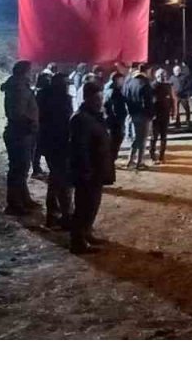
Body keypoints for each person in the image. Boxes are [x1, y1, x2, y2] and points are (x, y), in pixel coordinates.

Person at [69, 82, 116, 254]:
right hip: (88, 171)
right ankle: (78, 241)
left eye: (101, 98)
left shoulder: (95, 116)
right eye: (97, 98)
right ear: (88, 98)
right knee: (83, 206)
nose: (100, 102)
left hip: (97, 169)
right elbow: (79, 147)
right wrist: (86, 169)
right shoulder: (80, 118)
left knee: (93, 205)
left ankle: (86, 233)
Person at [1, 60, 41, 215]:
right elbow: (18, 113)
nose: (31, 74)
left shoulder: (19, 87)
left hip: (20, 132)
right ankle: (14, 204)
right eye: (30, 71)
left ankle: (23, 198)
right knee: (18, 168)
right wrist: (30, 124)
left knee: (22, 168)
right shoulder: (18, 89)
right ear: (24, 72)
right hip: (19, 133)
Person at [38, 73, 74, 229]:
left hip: (48, 143)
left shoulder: (42, 96)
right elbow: (66, 121)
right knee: (63, 181)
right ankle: (65, 216)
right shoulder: (62, 99)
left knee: (54, 179)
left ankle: (52, 215)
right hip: (60, 143)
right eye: (66, 83)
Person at [122, 63, 155, 169]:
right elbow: (148, 102)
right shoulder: (145, 83)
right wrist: (151, 115)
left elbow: (125, 97)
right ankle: (139, 162)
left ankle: (130, 160)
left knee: (136, 138)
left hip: (133, 113)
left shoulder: (130, 82)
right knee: (142, 139)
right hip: (143, 115)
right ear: (147, 71)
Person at [30, 71, 52, 180]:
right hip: (42, 123)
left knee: (38, 147)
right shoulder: (43, 93)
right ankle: (36, 168)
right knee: (39, 147)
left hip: (40, 122)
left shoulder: (37, 92)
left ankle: (37, 168)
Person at [102, 71, 127, 164]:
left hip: (111, 120)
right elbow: (115, 108)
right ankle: (110, 161)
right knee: (115, 141)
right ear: (116, 80)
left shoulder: (109, 89)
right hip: (115, 121)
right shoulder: (114, 91)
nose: (123, 81)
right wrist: (119, 119)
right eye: (121, 80)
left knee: (114, 141)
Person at [150, 68, 174, 163]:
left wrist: (173, 111)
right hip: (155, 116)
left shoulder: (168, 86)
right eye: (160, 76)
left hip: (165, 115)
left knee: (164, 137)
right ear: (156, 76)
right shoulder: (152, 86)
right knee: (154, 137)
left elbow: (172, 99)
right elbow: (150, 101)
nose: (162, 77)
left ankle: (162, 156)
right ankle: (152, 155)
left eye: (163, 75)